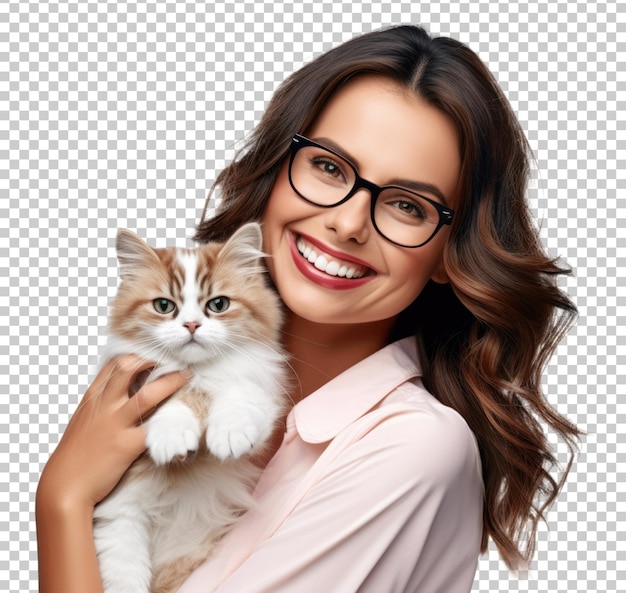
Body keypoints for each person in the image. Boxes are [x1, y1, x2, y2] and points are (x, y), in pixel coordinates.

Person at [36, 24, 580, 593]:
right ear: (276, 172)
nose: (347, 223)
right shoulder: (173, 376)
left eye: (406, 205)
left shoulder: (414, 447)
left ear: (450, 253)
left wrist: (63, 499)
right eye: (328, 167)